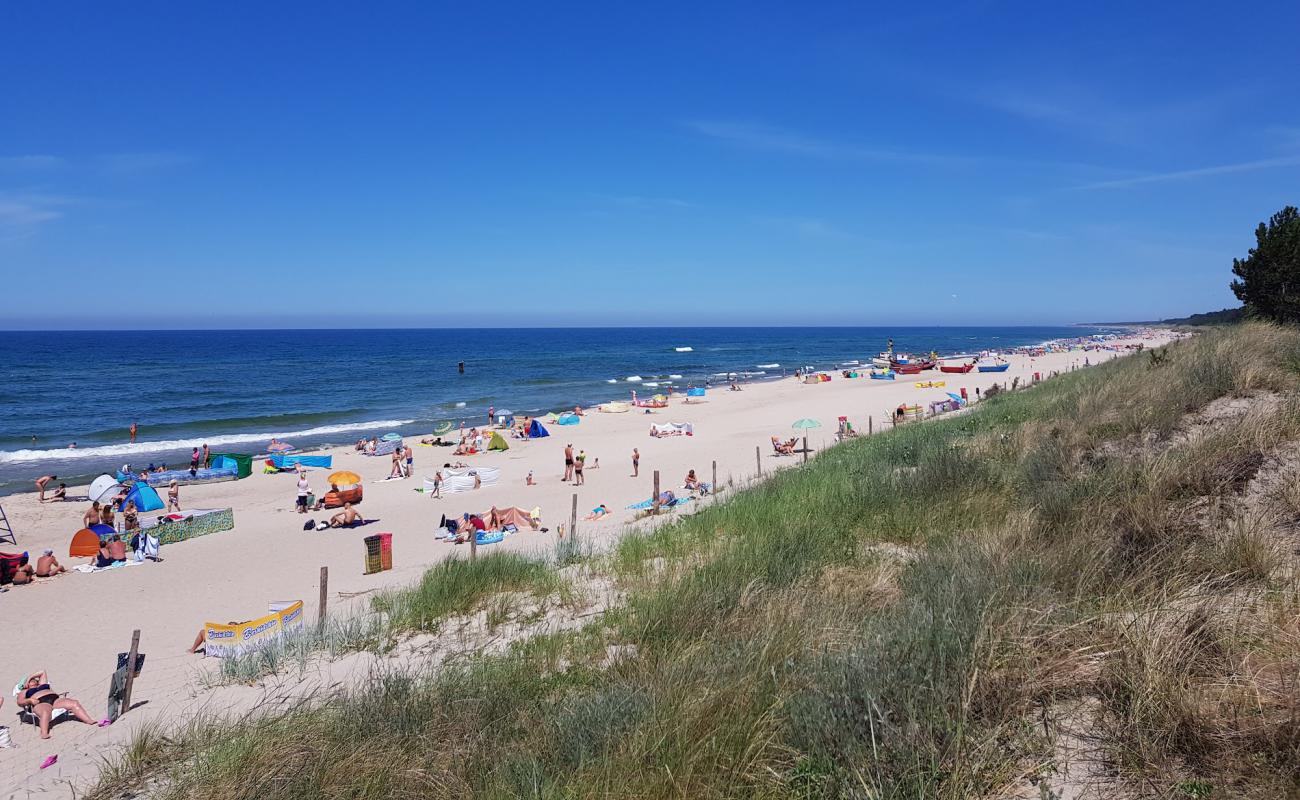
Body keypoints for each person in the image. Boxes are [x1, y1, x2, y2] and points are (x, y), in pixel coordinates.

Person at [16, 672, 108, 738]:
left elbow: (42, 671)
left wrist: (29, 677)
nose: (34, 680)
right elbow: (20, 702)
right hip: (40, 702)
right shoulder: (25, 691)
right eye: (31, 681)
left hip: (55, 700)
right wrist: (30, 700)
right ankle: (44, 733)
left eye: (34, 679)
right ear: (26, 685)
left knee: (74, 703)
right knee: (45, 712)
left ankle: (89, 720)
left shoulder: (42, 685)